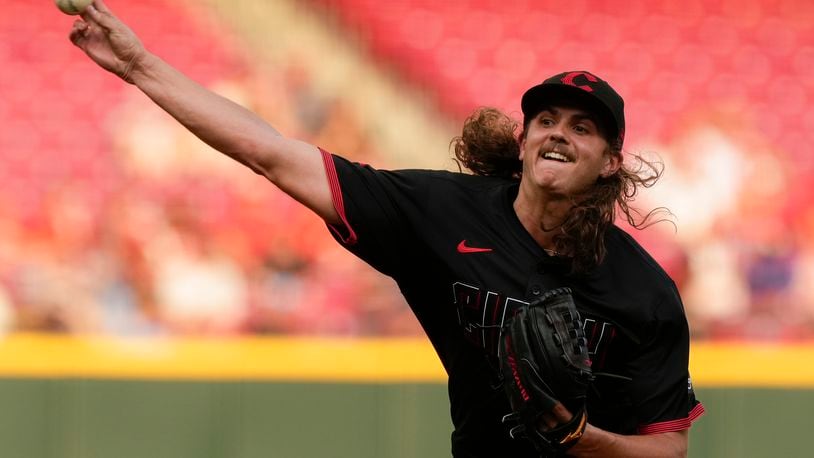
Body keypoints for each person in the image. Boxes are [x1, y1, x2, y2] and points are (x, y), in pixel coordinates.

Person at [68, 1, 704, 456]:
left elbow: (669, 448)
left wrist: (578, 439)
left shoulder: (642, 293)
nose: (559, 132)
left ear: (611, 162)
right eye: (546, 119)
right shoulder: (444, 213)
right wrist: (139, 67)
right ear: (525, 138)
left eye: (583, 127)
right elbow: (272, 153)